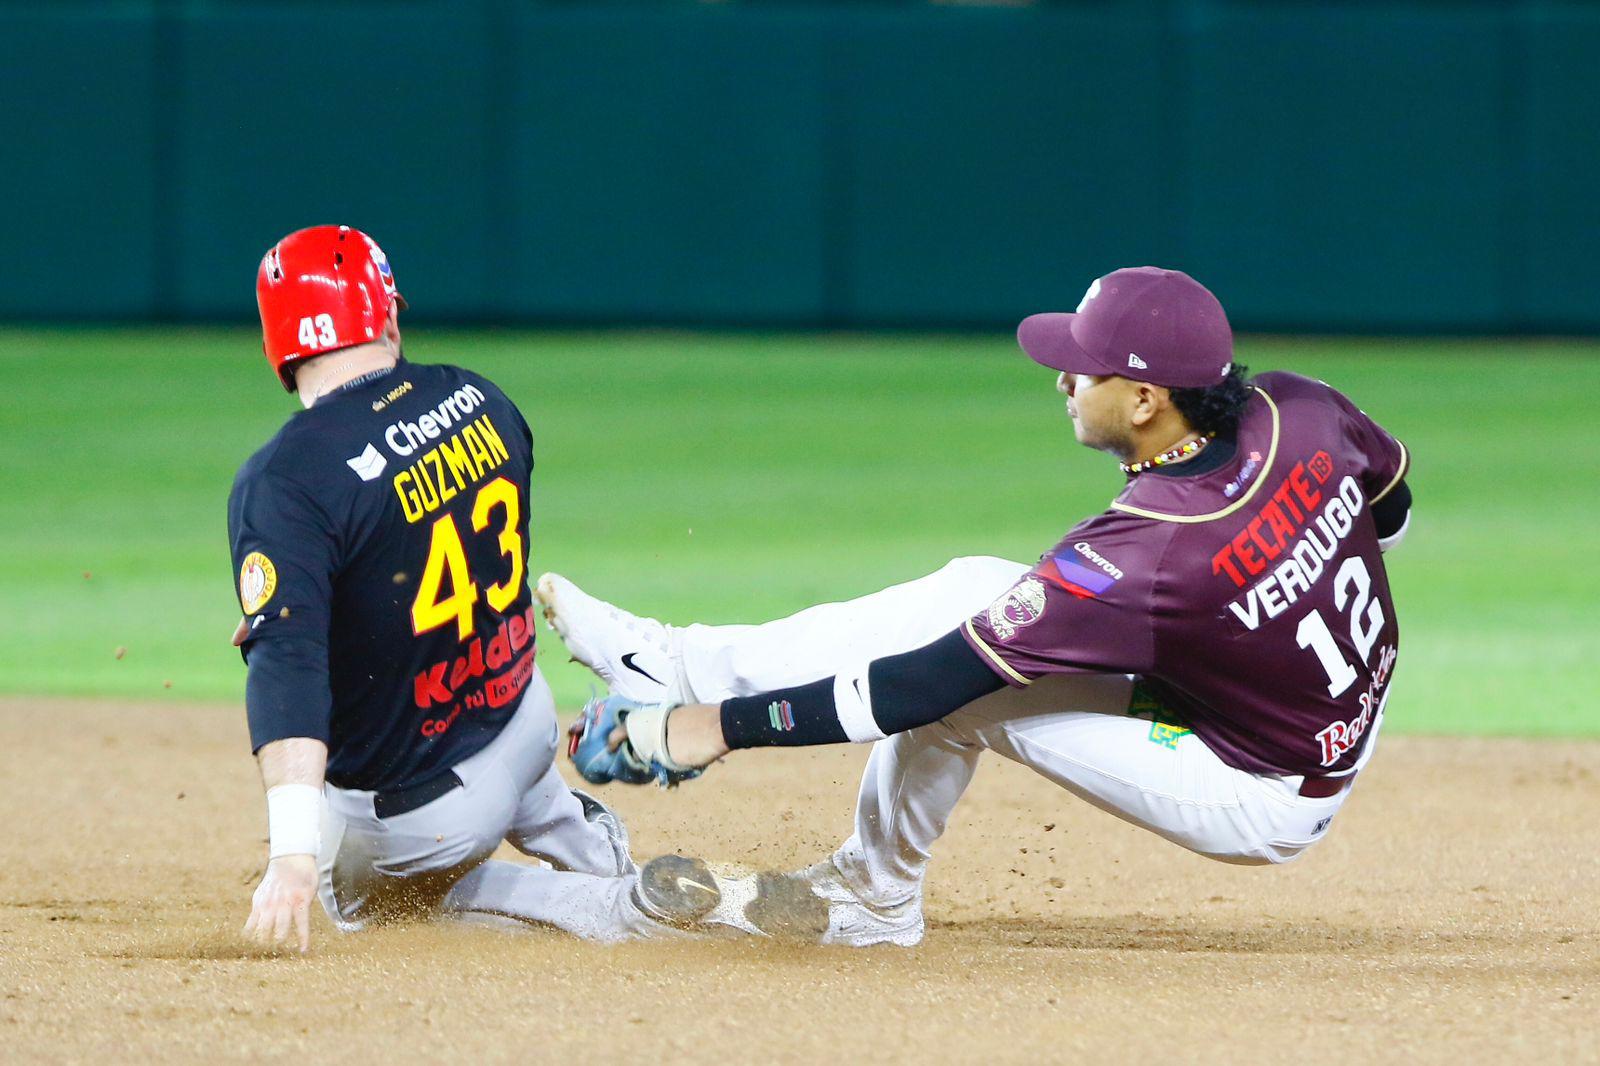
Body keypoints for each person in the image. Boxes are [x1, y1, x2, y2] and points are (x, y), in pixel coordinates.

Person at [545, 266, 1413, 947]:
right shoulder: (1297, 408)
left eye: (1084, 365)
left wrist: (715, 728)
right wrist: (1275, 581)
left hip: (1260, 781)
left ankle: (869, 900)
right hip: (1324, 703)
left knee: (966, 680)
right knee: (976, 590)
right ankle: (674, 662)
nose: (1063, 378)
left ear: (1147, 400)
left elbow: (919, 688)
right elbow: (1391, 511)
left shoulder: (1151, 552)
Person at [230, 224, 696, 951]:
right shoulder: (478, 396)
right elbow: (430, 553)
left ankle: (607, 906)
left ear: (279, 346)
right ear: (382, 313)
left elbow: (288, 666)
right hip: (525, 718)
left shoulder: (288, 478)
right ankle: (586, 842)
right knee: (496, 739)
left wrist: (290, 857)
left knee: (355, 898)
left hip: (423, 817)